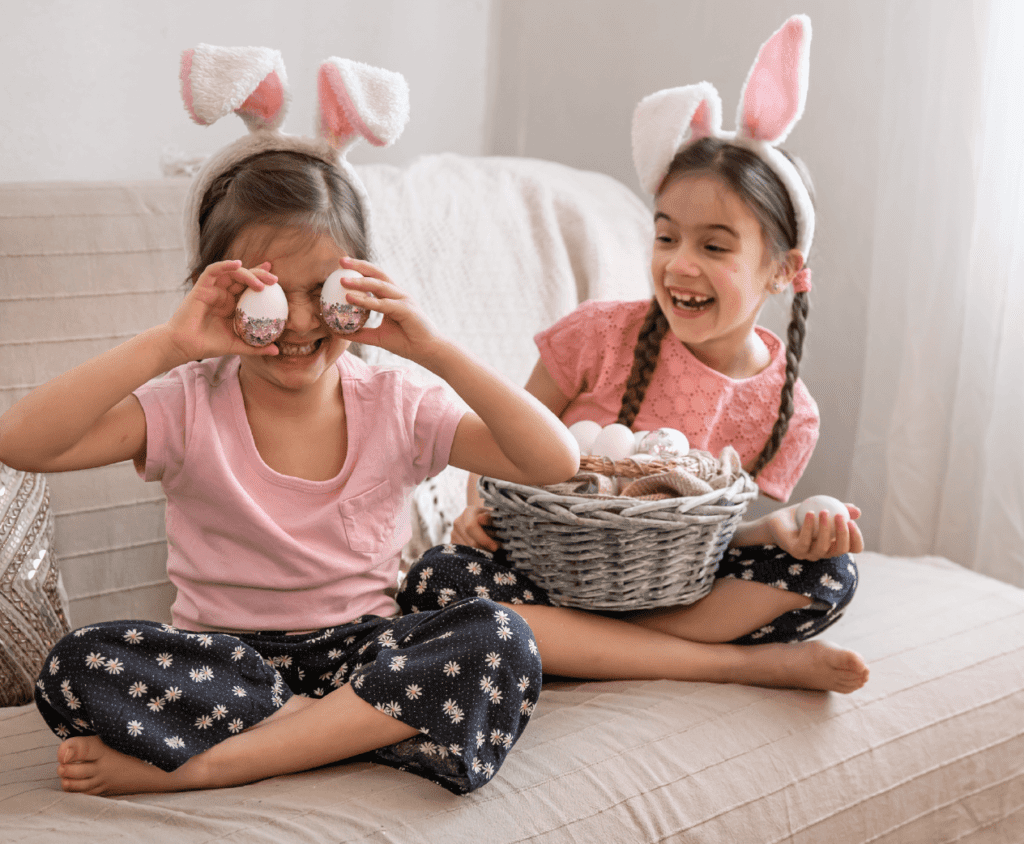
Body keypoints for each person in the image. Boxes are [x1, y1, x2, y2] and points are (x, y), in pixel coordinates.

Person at [0, 49, 579, 797]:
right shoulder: (187, 401)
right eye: (268, 295)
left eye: (323, 290)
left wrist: (434, 348)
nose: (299, 323)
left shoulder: (396, 402)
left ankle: (214, 766)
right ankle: (346, 731)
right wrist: (169, 343)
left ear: (362, 284)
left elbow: (551, 460)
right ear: (217, 291)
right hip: (225, 664)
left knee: (500, 636)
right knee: (73, 667)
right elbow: (21, 443)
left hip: (362, 655)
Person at [398, 16, 870, 695]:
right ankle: (732, 665)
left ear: (781, 269)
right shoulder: (596, 334)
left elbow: (717, 539)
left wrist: (786, 530)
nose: (679, 265)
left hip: (671, 589)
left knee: (829, 576)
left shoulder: (788, 410)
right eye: (666, 237)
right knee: (437, 584)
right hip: (550, 566)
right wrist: (477, 505)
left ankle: (584, 649)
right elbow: (505, 436)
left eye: (714, 246)